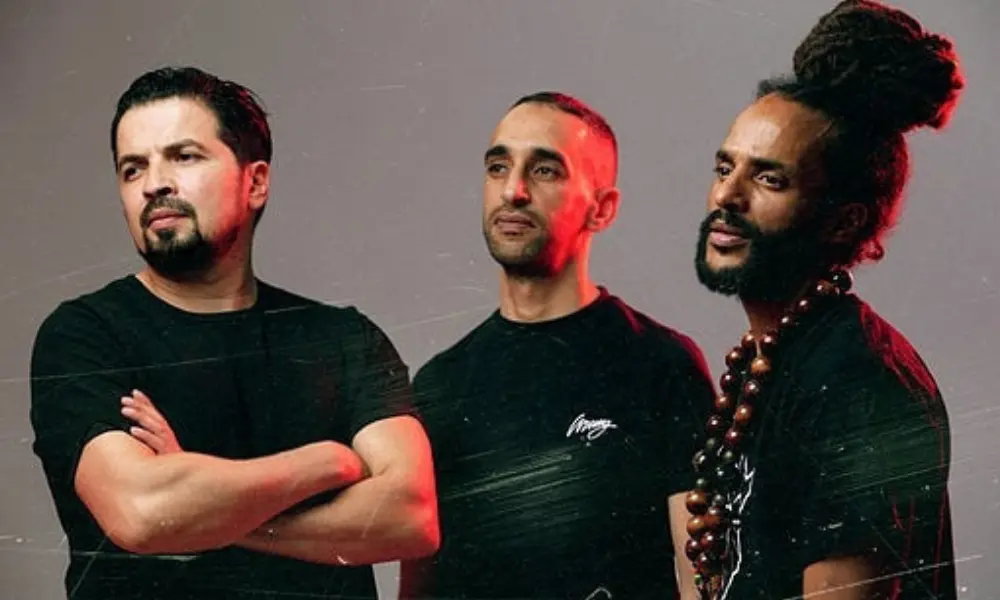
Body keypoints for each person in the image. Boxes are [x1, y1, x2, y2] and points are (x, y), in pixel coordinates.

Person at [29, 66, 439, 600]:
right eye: (133, 168)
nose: (154, 183)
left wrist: (203, 507)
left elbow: (411, 517)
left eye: (184, 156)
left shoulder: (342, 338)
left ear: (256, 182)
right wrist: (328, 461)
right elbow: (144, 513)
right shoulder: (85, 335)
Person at [681, 2, 964, 599]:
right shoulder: (773, 359)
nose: (727, 196)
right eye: (725, 167)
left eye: (769, 179)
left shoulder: (857, 381)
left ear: (844, 221)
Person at [398, 91, 715, 599]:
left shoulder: (661, 365)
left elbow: (703, 580)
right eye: (498, 167)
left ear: (602, 209)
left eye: (545, 170)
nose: (514, 190)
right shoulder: (440, 383)